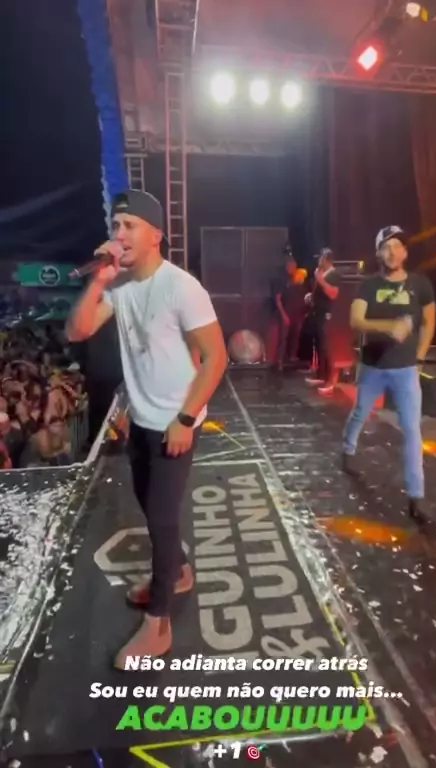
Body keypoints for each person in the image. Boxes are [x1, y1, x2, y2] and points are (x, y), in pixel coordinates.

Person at [66, 190, 227, 669]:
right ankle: (177, 572)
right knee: (147, 503)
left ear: (156, 234)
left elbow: (216, 358)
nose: (119, 235)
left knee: (161, 519)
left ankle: (159, 625)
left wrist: (184, 420)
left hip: (174, 423)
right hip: (140, 420)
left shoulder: (182, 287)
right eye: (115, 226)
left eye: (130, 226)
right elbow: (77, 330)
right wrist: (99, 281)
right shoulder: (119, 286)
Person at [341, 226, 436, 523]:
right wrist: (389, 327)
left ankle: (416, 496)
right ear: (378, 253)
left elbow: (429, 322)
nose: (392, 252)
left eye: (397, 246)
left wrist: (419, 357)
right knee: (360, 411)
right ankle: (347, 448)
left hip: (406, 370)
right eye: (386, 247)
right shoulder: (369, 285)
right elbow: (356, 320)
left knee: (412, 431)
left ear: (405, 252)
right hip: (373, 368)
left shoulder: (420, 284)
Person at [305, 248, 340, 393]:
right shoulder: (322, 273)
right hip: (317, 312)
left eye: (320, 258)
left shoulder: (334, 274)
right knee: (319, 344)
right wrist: (311, 297)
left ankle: (330, 381)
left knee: (326, 347)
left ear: (326, 260)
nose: (318, 261)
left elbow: (333, 294)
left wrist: (320, 280)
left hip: (327, 314)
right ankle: (321, 375)